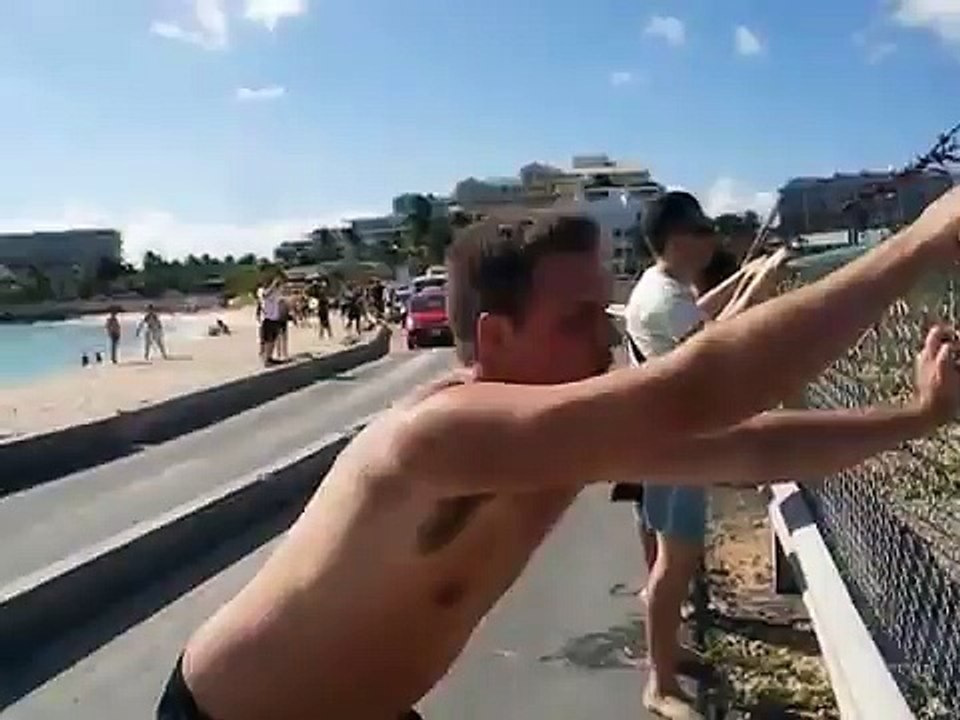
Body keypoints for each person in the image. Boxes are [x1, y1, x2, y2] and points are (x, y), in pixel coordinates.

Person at [158, 188, 960, 720]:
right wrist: (919, 244)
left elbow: (748, 447)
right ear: (495, 339)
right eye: (579, 319)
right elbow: (695, 390)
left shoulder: (557, 438)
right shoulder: (437, 439)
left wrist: (916, 417)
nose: (607, 339)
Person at [624, 192, 788, 718]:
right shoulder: (664, 299)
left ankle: (665, 651)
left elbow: (701, 315)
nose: (711, 238)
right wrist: (760, 286)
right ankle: (661, 683)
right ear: (676, 240)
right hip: (678, 448)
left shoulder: (663, 286)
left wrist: (743, 280)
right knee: (675, 564)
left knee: (671, 561)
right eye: (701, 230)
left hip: (661, 442)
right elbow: (715, 344)